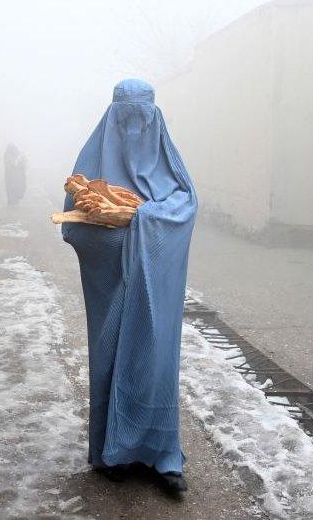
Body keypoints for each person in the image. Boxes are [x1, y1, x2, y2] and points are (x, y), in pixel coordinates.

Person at [61, 79, 197, 497]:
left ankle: (162, 455)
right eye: (127, 121)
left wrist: (145, 219)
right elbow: (74, 223)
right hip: (111, 285)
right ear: (113, 117)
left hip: (157, 284)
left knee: (154, 363)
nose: (135, 130)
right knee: (110, 358)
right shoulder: (93, 157)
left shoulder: (167, 159)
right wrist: (115, 232)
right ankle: (110, 453)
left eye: (142, 119)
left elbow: (187, 203)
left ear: (154, 118)